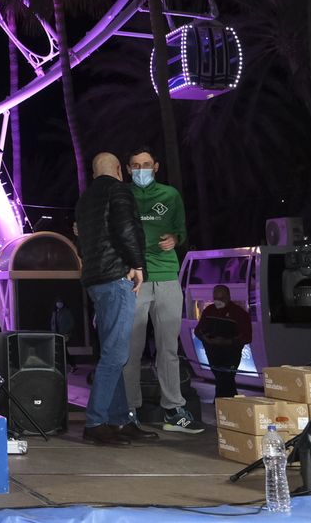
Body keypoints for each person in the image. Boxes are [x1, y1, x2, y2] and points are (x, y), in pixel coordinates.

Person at [122, 147, 202, 434]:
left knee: (168, 348)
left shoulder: (170, 195)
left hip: (168, 276)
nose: (141, 169)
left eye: (146, 164)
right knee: (131, 349)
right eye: (135, 165)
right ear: (128, 169)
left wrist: (175, 238)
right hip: (133, 279)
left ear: (156, 166)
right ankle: (129, 408)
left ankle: (173, 409)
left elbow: (181, 231)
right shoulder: (122, 196)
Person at [74, 153, 146, 446]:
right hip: (117, 277)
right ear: (119, 170)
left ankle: (120, 420)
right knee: (116, 355)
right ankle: (96, 422)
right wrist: (138, 264)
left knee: (112, 352)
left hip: (95, 281)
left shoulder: (85, 200)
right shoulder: (119, 190)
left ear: (93, 173)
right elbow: (127, 230)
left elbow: (83, 241)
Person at [195, 285, 252, 399]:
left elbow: (247, 337)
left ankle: (223, 405)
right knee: (222, 381)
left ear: (228, 297)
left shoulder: (239, 313)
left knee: (226, 379)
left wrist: (227, 342)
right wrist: (206, 339)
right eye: (216, 298)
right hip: (213, 354)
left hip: (230, 355)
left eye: (221, 298)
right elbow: (198, 331)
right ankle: (227, 406)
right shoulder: (209, 311)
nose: (218, 302)